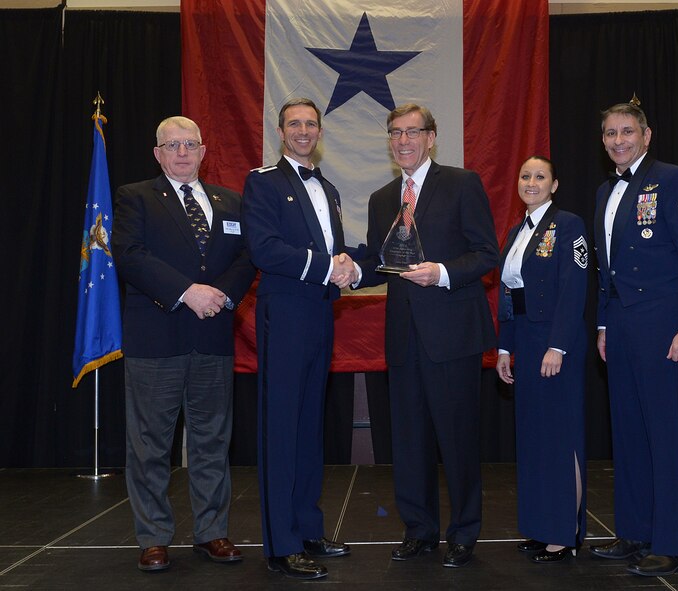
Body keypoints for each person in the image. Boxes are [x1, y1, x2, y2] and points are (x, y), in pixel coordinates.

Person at [344, 103, 498, 568]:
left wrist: (444, 273)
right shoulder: (382, 197)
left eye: (413, 132)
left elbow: (486, 253)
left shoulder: (462, 183)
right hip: (404, 338)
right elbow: (378, 261)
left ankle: (464, 532)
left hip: (452, 336)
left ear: (431, 137)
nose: (404, 141)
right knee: (408, 443)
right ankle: (420, 530)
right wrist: (350, 270)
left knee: (457, 440)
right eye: (396, 133)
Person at [112, 116, 256, 572]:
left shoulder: (231, 202)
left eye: (190, 143)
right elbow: (131, 256)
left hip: (213, 338)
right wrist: (187, 292)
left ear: (203, 149)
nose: (181, 152)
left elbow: (247, 256)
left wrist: (223, 294)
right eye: (172, 145)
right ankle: (153, 536)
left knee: (213, 440)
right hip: (157, 340)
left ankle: (211, 531)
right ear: (157, 153)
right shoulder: (135, 197)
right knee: (151, 443)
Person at [589, 99, 678, 577]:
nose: (618, 140)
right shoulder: (604, 191)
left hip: (664, 325)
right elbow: (605, 269)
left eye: (626, 131)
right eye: (609, 133)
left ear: (646, 134)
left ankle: (675, 543)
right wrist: (602, 324)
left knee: (666, 434)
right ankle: (635, 532)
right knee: (629, 433)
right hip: (619, 326)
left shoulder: (674, 179)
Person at [241, 98, 355, 580]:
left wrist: (351, 265)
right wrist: (331, 266)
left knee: (310, 426)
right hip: (285, 314)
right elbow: (264, 249)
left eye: (311, 123)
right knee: (282, 429)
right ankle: (281, 544)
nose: (303, 131)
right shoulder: (262, 182)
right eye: (294, 124)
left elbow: (336, 251)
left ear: (320, 130)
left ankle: (308, 527)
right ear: (281, 131)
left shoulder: (327, 188)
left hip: (321, 314)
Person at [495, 157, 589, 563]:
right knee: (533, 440)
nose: (531, 182)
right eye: (525, 176)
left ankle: (565, 533)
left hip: (556, 343)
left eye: (540, 177)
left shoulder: (569, 225)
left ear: (554, 185)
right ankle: (539, 525)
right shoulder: (517, 232)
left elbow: (574, 288)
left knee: (560, 437)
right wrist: (504, 347)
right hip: (527, 342)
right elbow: (509, 295)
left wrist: (559, 345)